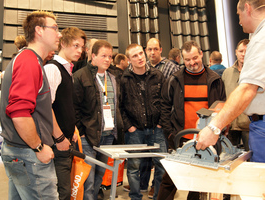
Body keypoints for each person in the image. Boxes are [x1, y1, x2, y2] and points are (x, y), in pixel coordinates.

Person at [196, 0, 265, 165]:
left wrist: (214, 128)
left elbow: (247, 89)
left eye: (239, 14)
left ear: (247, 8)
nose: (239, 21)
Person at [0, 10, 61, 199]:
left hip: (20, 152)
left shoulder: (29, 59)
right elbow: (19, 113)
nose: (59, 34)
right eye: (55, 28)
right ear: (39, 31)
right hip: (29, 154)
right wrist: (39, 148)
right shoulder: (28, 61)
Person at [157, 40, 226, 200]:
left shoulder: (215, 79)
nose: (192, 62)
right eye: (187, 59)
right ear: (182, 59)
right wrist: (170, 133)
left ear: (201, 54)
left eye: (195, 58)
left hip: (206, 140)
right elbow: (164, 106)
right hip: (180, 139)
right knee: (170, 179)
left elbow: (222, 106)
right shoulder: (175, 79)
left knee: (198, 182)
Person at [73, 40, 123, 200]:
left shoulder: (114, 77)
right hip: (88, 136)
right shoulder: (80, 76)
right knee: (88, 179)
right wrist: (80, 132)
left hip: (108, 135)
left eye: (110, 56)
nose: (108, 59)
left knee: (99, 178)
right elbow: (75, 108)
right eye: (103, 56)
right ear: (93, 56)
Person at [120, 43, 167, 200]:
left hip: (157, 129)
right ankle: (135, 197)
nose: (139, 57)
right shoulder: (124, 79)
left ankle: (158, 197)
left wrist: (161, 123)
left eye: (141, 53)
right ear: (128, 60)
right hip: (135, 131)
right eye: (135, 55)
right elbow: (120, 106)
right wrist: (129, 127)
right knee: (133, 167)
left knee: (162, 166)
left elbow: (165, 101)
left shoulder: (158, 75)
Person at [44, 26, 86, 200]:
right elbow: (46, 108)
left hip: (66, 140)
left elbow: (63, 106)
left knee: (65, 192)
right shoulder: (53, 69)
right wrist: (60, 138)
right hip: (56, 144)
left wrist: (72, 129)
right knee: (61, 194)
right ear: (63, 43)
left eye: (82, 47)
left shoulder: (68, 70)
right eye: (75, 45)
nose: (79, 51)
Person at [222, 39, 250, 151]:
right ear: (235, 52)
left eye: (246, 51)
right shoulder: (227, 72)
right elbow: (223, 98)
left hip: (249, 126)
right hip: (230, 125)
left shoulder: (255, 73)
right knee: (230, 158)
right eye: (241, 51)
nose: (243, 54)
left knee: (251, 158)